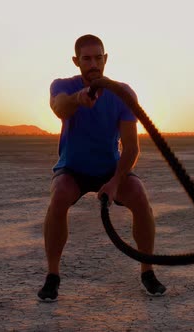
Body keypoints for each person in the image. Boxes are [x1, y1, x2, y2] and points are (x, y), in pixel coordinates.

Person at [38, 34, 166, 302]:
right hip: (73, 170)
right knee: (59, 195)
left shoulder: (123, 93)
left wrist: (116, 181)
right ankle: (52, 276)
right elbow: (59, 108)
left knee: (140, 196)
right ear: (77, 61)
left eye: (98, 57)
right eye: (87, 58)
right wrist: (78, 99)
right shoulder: (62, 86)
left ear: (106, 59)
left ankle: (147, 272)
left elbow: (131, 147)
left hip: (111, 170)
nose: (93, 63)